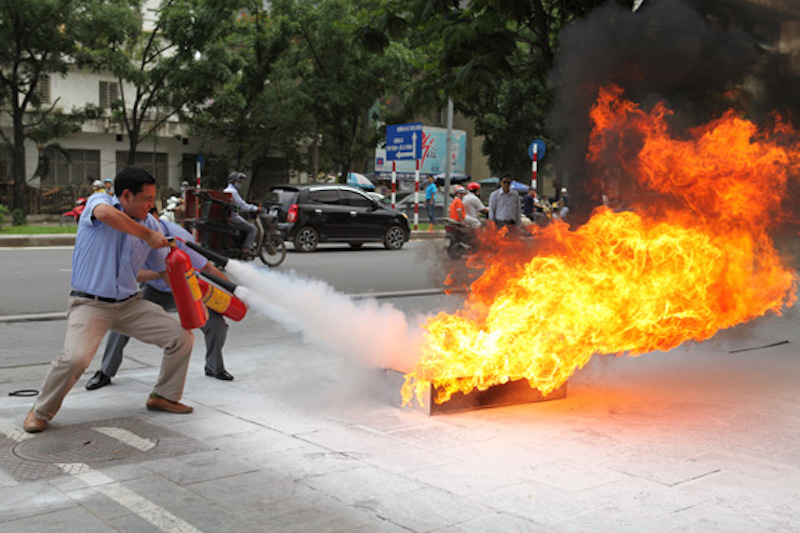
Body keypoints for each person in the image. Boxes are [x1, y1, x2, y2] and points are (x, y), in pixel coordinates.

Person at [23, 166, 195, 434]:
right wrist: (147, 234)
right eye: (147, 199)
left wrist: (176, 275)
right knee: (75, 359)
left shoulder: (151, 223)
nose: (152, 206)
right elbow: (106, 215)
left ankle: (163, 396)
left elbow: (150, 270)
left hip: (130, 304)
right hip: (90, 304)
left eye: (153, 199)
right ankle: (41, 411)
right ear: (126, 195)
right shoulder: (100, 203)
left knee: (181, 338)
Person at [86, 215, 235, 391]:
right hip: (155, 289)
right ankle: (105, 372)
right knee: (122, 324)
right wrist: (162, 273)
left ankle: (214, 367)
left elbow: (208, 268)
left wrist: (234, 293)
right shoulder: (130, 238)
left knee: (216, 325)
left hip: (187, 289)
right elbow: (131, 274)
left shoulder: (179, 237)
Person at [223, 171, 259, 253]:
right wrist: (255, 208)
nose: (240, 183)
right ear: (233, 181)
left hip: (227, 216)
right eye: (238, 181)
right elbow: (243, 205)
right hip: (233, 217)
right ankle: (246, 248)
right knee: (253, 229)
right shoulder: (233, 192)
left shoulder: (225, 190)